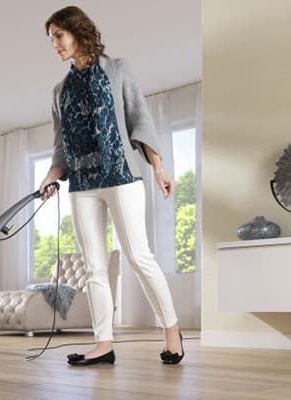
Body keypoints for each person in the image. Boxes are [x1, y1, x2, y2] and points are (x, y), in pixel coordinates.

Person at [39, 6, 183, 367]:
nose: (54, 45)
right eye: (51, 39)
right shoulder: (59, 91)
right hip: (82, 184)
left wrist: (159, 168)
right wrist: (50, 175)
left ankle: (171, 331)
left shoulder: (117, 69)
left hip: (121, 175)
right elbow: (61, 147)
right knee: (94, 267)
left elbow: (139, 119)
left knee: (138, 256)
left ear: (77, 32)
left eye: (58, 36)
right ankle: (103, 343)